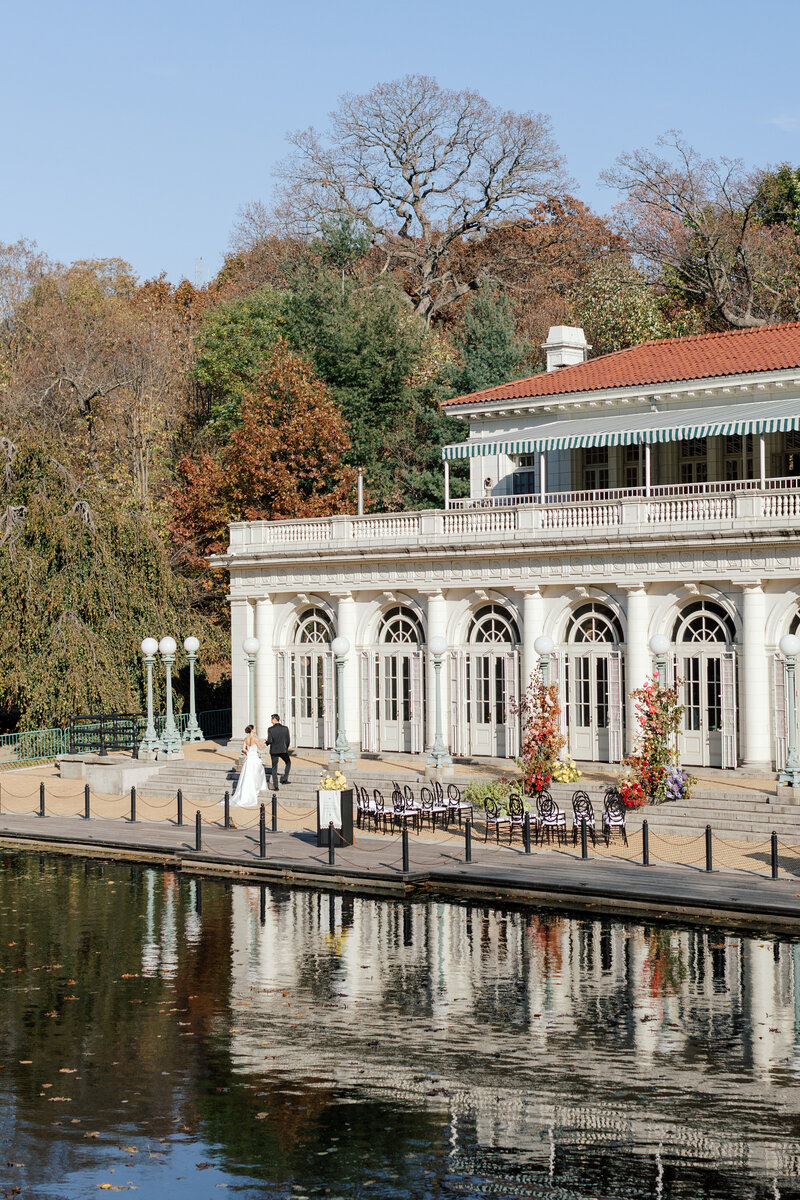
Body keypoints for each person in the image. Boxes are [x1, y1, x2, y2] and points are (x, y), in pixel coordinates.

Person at [229, 725, 267, 808]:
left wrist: (248, 753)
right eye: (254, 728)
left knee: (248, 773)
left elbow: (243, 749)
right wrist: (263, 743)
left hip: (249, 757)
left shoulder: (246, 739)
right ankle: (258, 787)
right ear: (252, 730)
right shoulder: (255, 739)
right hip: (254, 757)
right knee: (258, 771)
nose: (255, 729)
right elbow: (260, 748)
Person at [266, 713, 292, 789]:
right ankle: (284, 779)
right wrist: (286, 748)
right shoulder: (285, 728)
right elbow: (288, 740)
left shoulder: (270, 729)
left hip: (274, 750)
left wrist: (266, 742)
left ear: (274, 719)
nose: (271, 721)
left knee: (274, 768)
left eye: (271, 720)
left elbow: (270, 741)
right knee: (288, 762)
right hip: (283, 749)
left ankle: (276, 786)